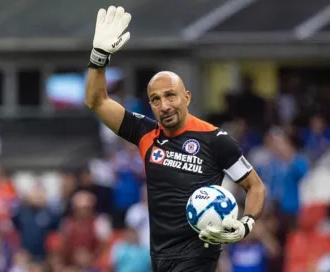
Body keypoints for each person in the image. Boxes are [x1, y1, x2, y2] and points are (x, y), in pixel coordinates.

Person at [84, 6, 266, 272]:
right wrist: (99, 56)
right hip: (158, 258)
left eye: (171, 95)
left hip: (198, 257)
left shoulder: (216, 140)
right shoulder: (145, 132)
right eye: (156, 100)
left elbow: (256, 187)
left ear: (187, 97)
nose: (164, 105)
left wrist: (246, 223)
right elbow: (96, 100)